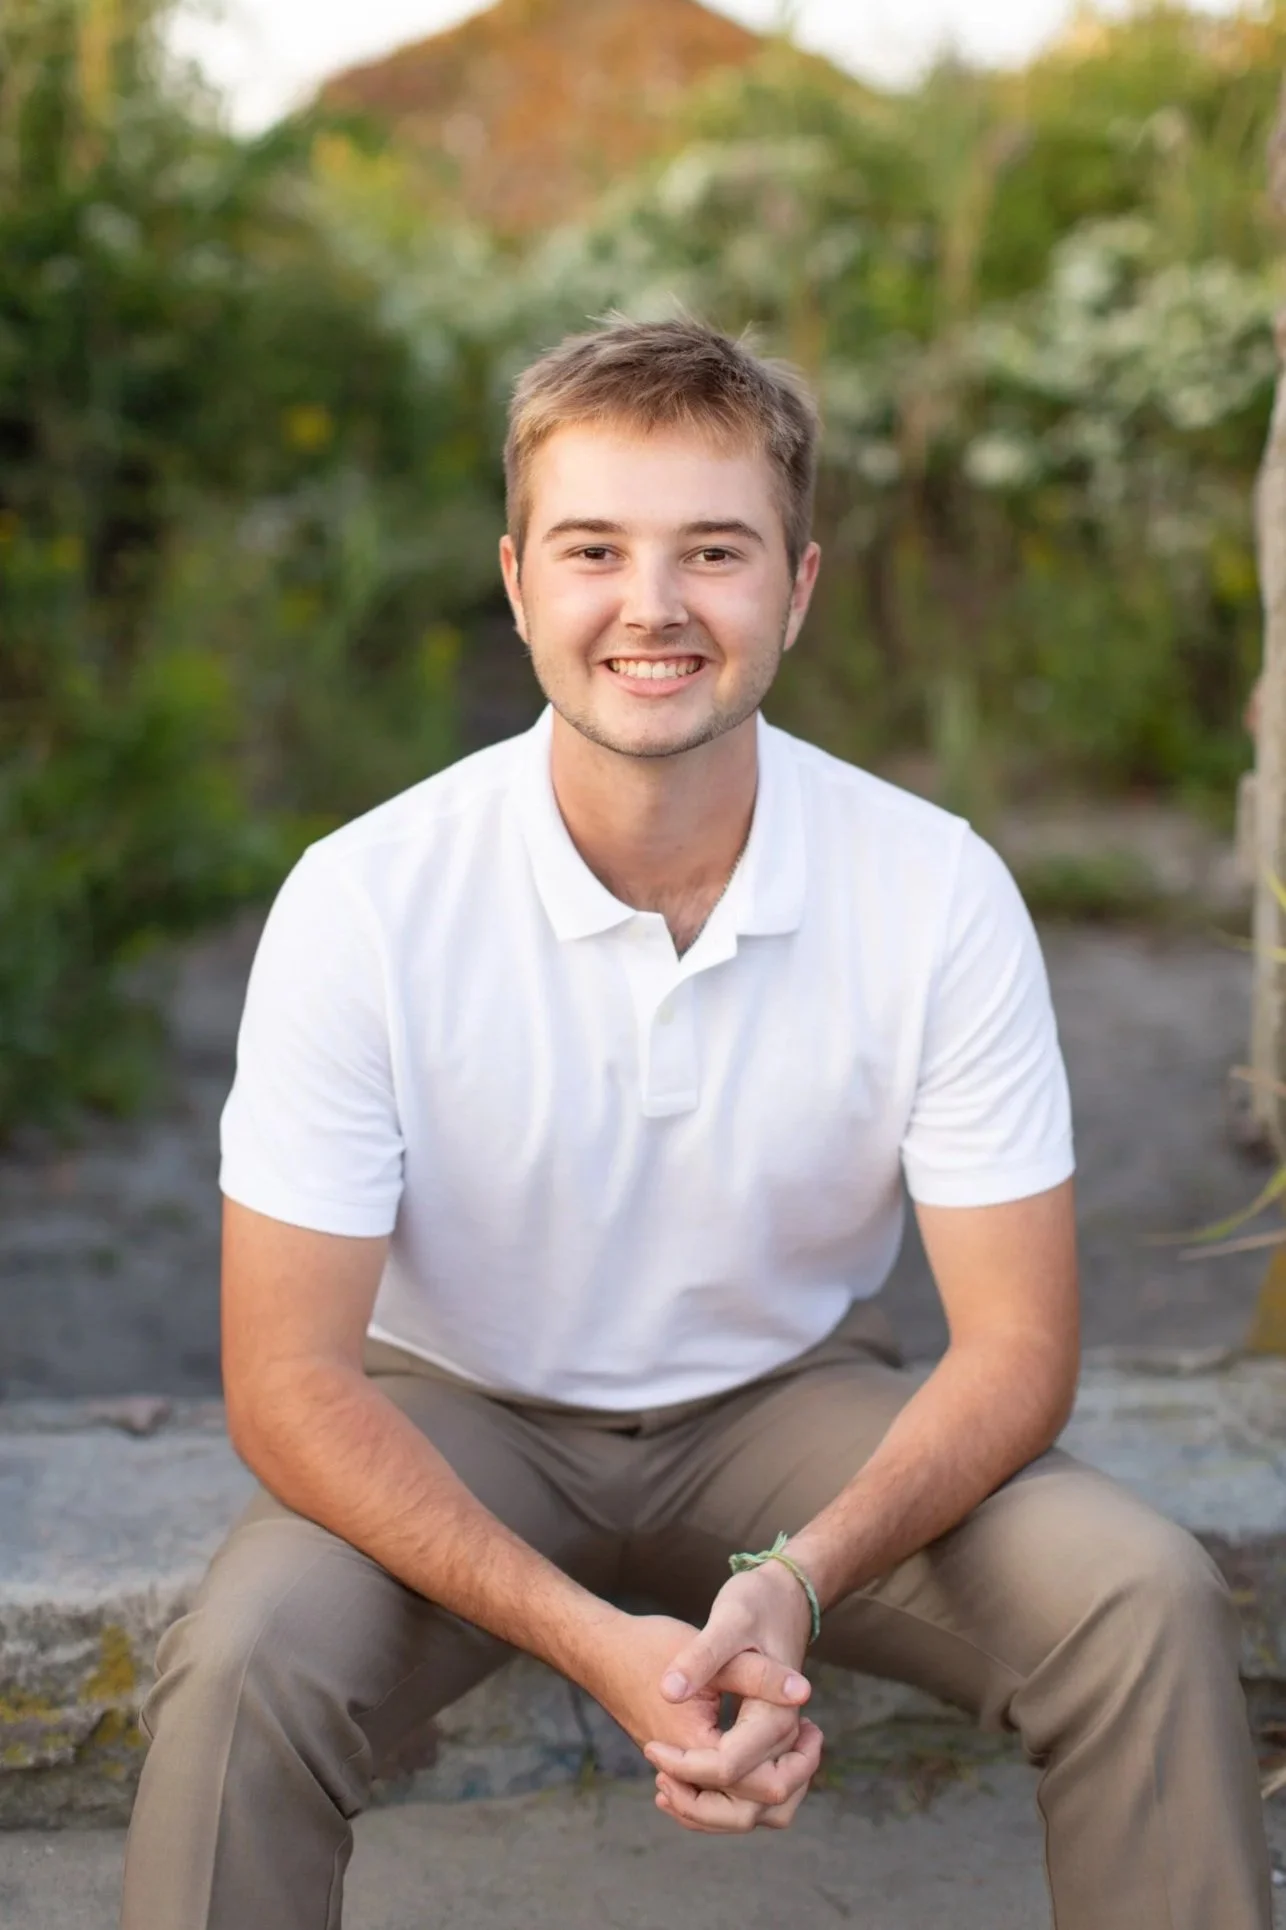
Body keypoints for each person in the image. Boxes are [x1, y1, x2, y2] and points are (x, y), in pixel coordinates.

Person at [120, 317, 1272, 1930]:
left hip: (790, 1405)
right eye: (593, 549)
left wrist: (798, 1574)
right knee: (247, 1661)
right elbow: (289, 1380)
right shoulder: (364, 898)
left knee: (1137, 1592)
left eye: (713, 551)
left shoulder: (933, 886)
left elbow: (1017, 1348)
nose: (651, 605)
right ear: (517, 582)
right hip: (458, 1414)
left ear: (795, 588)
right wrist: (594, 1640)